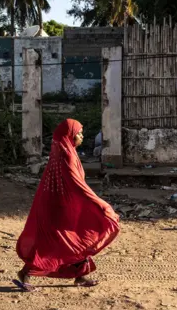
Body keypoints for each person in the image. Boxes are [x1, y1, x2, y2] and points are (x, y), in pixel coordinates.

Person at [14, 119, 120, 291]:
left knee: (75, 239)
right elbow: (77, 185)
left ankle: (79, 275)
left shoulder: (62, 150)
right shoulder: (67, 155)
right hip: (62, 207)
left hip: (62, 204)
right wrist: (100, 204)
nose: (82, 136)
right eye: (78, 133)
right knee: (62, 241)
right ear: (69, 135)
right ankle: (26, 273)